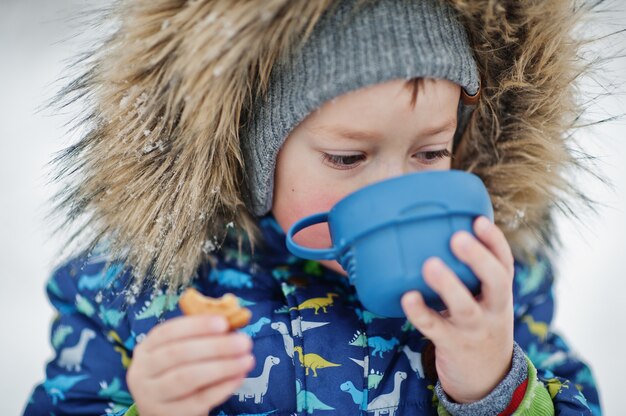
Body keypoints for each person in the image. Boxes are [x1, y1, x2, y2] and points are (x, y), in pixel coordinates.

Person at [23, 0, 605, 414]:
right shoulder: (138, 293)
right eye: (348, 158)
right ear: (254, 158)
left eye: (430, 152)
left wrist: (493, 386)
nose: (391, 192)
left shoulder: (488, 288)